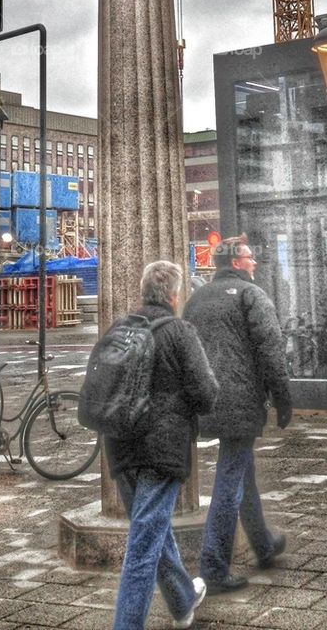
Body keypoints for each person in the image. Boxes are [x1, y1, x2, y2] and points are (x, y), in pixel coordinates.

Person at [105, 260, 218, 630]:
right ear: (173, 295)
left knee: (151, 528)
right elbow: (206, 393)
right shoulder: (179, 332)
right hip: (161, 450)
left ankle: (183, 600)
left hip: (121, 446)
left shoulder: (120, 329)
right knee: (142, 547)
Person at [184, 234, 292, 593]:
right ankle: (213, 567)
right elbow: (270, 349)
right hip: (241, 400)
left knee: (240, 470)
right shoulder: (252, 295)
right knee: (229, 480)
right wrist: (282, 397)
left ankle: (262, 544)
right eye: (249, 257)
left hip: (207, 399)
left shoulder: (196, 298)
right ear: (235, 263)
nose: (254, 262)